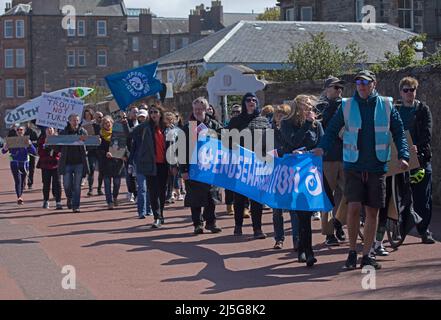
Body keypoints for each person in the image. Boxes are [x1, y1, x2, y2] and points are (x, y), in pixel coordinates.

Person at [314, 70, 410, 270]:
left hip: (376, 166)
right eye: (358, 82)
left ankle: (367, 255)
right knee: (353, 208)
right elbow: (332, 129)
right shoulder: (347, 105)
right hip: (353, 165)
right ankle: (351, 252)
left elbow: (399, 131)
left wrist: (403, 155)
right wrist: (322, 146)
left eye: (365, 82)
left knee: (372, 212)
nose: (361, 85)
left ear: (373, 84)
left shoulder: (386, 105)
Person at [277, 95, 323, 266]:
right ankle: (307, 251)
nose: (310, 109)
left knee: (307, 212)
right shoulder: (287, 123)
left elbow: (322, 142)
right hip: (293, 172)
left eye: (311, 107)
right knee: (302, 212)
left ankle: (304, 249)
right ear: (298, 107)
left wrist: (320, 150)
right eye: (307, 106)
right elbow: (293, 141)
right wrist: (306, 125)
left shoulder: (316, 124)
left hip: (311, 172)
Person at [395, 76, 435, 244]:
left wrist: (417, 146)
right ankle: (400, 229)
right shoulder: (394, 109)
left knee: (422, 197)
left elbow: (427, 131)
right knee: (399, 196)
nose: (409, 93)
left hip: (420, 158)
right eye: (406, 90)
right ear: (401, 92)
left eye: (412, 90)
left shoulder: (422, 109)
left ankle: (424, 230)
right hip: (399, 158)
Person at [227, 92, 271, 239]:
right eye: (248, 100)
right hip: (240, 164)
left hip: (258, 164)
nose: (251, 102)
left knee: (256, 197)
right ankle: (238, 226)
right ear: (244, 103)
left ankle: (257, 229)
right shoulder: (235, 121)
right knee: (239, 197)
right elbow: (228, 143)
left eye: (254, 100)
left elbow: (269, 143)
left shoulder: (263, 121)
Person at [180, 97, 223, 235]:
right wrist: (184, 169)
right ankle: (197, 224)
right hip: (193, 168)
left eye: (201, 109)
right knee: (195, 198)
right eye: (196, 109)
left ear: (206, 109)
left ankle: (211, 223)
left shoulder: (214, 125)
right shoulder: (188, 127)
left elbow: (225, 141)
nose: (198, 111)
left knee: (212, 196)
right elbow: (182, 150)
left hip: (211, 168)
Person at [315, 76, 347, 246]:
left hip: (346, 156)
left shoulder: (347, 105)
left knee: (351, 193)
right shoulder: (320, 108)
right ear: (327, 88)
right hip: (327, 158)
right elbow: (321, 128)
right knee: (327, 197)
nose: (339, 90)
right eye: (335, 87)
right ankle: (329, 234)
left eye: (340, 87)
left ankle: (339, 222)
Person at [58, 113, 89, 213]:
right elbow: (57, 147)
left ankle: (76, 206)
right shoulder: (63, 132)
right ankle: (69, 197)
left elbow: (89, 145)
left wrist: (97, 141)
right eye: (73, 120)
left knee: (77, 185)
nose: (75, 122)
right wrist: (50, 141)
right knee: (67, 185)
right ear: (69, 121)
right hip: (67, 162)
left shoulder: (83, 131)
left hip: (79, 162)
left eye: (77, 120)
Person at [1, 125, 37, 205]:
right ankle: (19, 197)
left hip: (24, 163)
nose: (19, 131)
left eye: (21, 130)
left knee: (22, 181)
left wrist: (30, 145)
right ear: (16, 132)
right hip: (14, 162)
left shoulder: (27, 140)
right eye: (18, 130)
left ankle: (20, 194)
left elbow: (34, 152)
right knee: (18, 180)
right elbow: (3, 151)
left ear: (24, 131)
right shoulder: (11, 141)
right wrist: (5, 148)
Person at [98, 116, 126, 210]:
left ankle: (115, 197)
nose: (107, 124)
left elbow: (123, 146)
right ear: (103, 124)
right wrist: (105, 153)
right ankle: (109, 202)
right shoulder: (100, 136)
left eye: (109, 122)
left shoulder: (118, 134)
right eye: (105, 123)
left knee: (117, 182)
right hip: (105, 163)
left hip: (117, 162)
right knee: (107, 183)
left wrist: (123, 154)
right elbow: (98, 150)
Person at [37, 127, 62, 210]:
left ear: (54, 130)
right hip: (45, 164)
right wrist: (46, 148)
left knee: (57, 183)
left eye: (51, 129)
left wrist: (54, 148)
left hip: (56, 164)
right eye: (48, 129)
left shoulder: (58, 139)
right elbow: (40, 152)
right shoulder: (42, 139)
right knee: (46, 183)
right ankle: (46, 200)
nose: (50, 130)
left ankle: (58, 202)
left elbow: (59, 151)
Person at [224, 104, 242, 216]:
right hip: (229, 159)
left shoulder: (245, 126)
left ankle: (245, 206)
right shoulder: (226, 127)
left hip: (242, 158)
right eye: (234, 112)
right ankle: (229, 205)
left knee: (242, 183)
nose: (236, 114)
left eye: (238, 112)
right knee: (229, 184)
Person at [25, 121, 39, 190]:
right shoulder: (23, 132)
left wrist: (31, 143)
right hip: (24, 153)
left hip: (32, 153)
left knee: (31, 169)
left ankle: (30, 183)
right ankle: (23, 183)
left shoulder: (34, 132)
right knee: (24, 168)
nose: (28, 125)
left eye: (29, 123)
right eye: (26, 123)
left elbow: (37, 143)